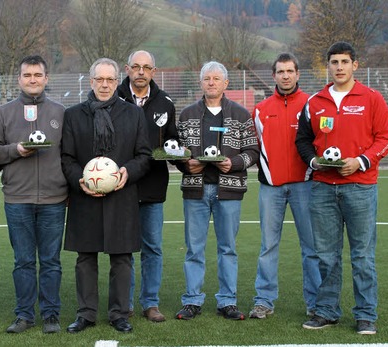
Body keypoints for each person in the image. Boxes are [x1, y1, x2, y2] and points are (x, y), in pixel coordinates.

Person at [296, 41, 388, 335]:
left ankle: (365, 314)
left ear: (355, 65)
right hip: (324, 188)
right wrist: (314, 161)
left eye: (344, 62)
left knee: (362, 256)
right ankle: (326, 311)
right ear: (328, 66)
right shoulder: (315, 102)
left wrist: (361, 161)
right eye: (334, 62)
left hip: (360, 188)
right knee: (326, 255)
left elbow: (386, 138)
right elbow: (302, 140)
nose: (339, 67)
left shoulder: (372, 98)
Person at [61, 58, 151, 334]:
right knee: (85, 258)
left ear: (116, 82)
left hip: (121, 197)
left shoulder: (132, 114)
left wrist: (127, 172)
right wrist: (80, 181)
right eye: (99, 79)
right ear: (90, 81)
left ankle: (119, 314)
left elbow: (144, 156)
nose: (104, 84)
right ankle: (86, 314)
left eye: (109, 80)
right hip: (85, 198)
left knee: (122, 259)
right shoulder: (74, 115)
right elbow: (66, 157)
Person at [0, 55, 67, 334]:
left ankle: (51, 314)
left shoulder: (60, 112)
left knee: (51, 260)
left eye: (38, 75)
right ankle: (24, 315)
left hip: (54, 199)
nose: (33, 80)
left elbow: (69, 154)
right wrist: (16, 150)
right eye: (27, 75)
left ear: (46, 78)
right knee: (23, 261)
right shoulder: (3, 113)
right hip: (17, 199)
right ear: (19, 79)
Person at [174, 61, 259, 321]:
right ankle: (192, 300)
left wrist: (232, 163)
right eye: (207, 78)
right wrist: (185, 165)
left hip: (229, 190)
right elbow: (175, 150)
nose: (211, 83)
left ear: (226, 83)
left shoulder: (242, 115)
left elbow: (253, 151)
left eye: (216, 78)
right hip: (195, 191)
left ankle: (227, 301)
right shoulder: (187, 114)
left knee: (228, 248)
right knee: (194, 249)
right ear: (201, 83)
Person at [249, 53, 320, 319]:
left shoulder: (312, 105)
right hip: (271, 188)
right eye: (281, 71)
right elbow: (254, 148)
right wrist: (268, 173)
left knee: (311, 247)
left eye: (290, 71)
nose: (286, 76)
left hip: (305, 186)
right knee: (268, 246)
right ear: (274, 75)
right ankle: (264, 301)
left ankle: (315, 303)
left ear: (298, 74)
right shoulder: (260, 109)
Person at [116, 50, 177, 322]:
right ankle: (124, 303)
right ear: (127, 69)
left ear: (154, 71)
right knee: (124, 247)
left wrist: (180, 154)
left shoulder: (165, 103)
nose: (141, 72)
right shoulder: (113, 98)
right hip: (120, 185)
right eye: (136, 67)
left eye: (147, 68)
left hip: (153, 186)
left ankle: (150, 303)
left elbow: (172, 142)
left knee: (152, 247)